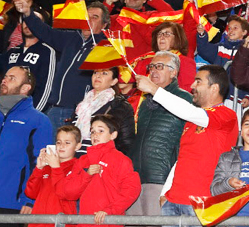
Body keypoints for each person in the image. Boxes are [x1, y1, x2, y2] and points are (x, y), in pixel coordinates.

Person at [135, 65, 238, 219]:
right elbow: (182, 158)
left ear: (214, 88)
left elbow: (189, 111)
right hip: (173, 201)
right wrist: (165, 193)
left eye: (198, 82)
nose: (192, 86)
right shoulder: (191, 121)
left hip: (203, 202)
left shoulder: (226, 115)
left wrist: (154, 89)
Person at [14, 0, 108, 131]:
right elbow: (45, 32)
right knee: (44, 150)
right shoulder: (71, 38)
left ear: (104, 25)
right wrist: (28, 13)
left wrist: (99, 53)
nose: (88, 20)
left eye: (94, 17)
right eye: (86, 16)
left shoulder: (105, 47)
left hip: (77, 112)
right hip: (53, 109)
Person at [128, 51, 192, 218]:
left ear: (173, 72)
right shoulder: (145, 101)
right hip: (136, 178)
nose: (153, 71)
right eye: (151, 67)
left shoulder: (184, 99)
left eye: (159, 66)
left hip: (161, 178)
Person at [53, 115, 140, 227]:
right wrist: (86, 175)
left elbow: (131, 190)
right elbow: (68, 192)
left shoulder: (121, 160)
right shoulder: (83, 160)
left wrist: (110, 211)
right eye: (92, 131)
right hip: (84, 222)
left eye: (101, 130)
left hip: (109, 222)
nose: (95, 134)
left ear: (113, 135)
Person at [0, 66, 53, 217]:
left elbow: (43, 163)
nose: (4, 80)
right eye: (5, 76)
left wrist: (31, 199)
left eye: (12, 78)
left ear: (25, 88)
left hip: (11, 203)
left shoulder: (39, 120)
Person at [0, 7, 56, 112]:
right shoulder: (12, 51)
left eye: (34, 20)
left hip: (29, 110)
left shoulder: (47, 51)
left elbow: (46, 88)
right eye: (25, 20)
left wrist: (33, 114)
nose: (28, 23)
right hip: (4, 109)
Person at [72, 67, 134, 156]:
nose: (98, 76)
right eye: (95, 72)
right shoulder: (82, 104)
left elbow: (126, 142)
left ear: (114, 81)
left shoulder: (119, 106)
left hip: (99, 160)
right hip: (74, 158)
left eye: (104, 73)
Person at [26, 126, 82, 225]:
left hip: (61, 223)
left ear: (77, 146)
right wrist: (38, 169)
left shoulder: (78, 168)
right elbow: (31, 193)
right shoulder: (47, 167)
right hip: (38, 223)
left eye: (67, 142)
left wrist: (56, 168)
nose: (62, 146)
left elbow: (65, 193)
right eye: (58, 142)